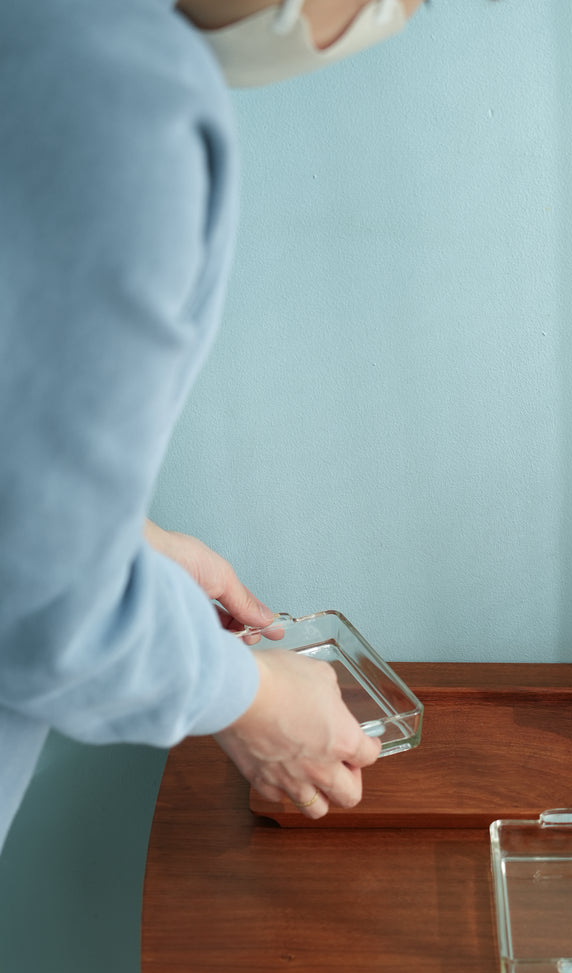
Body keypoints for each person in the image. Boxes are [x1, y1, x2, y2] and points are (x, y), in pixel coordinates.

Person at [0, 0, 424, 854]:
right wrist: (250, 700)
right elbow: (44, 599)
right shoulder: (122, 90)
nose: (399, 14)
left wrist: (138, 544)